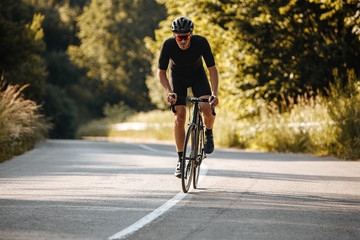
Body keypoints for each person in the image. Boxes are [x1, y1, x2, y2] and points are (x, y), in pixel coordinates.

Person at [157, 17, 219, 178]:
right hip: (177, 78)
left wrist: (215, 94)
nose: (182, 41)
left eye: (186, 37)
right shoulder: (168, 45)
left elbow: (212, 69)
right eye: (179, 37)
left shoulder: (201, 42)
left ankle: (209, 133)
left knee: (206, 108)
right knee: (179, 116)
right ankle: (180, 160)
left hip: (198, 76)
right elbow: (161, 72)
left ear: (191, 34)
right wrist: (169, 92)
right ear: (174, 36)